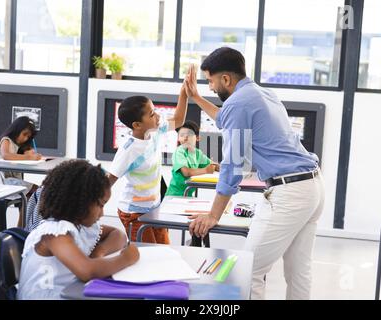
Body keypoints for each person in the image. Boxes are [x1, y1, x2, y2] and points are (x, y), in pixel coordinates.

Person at [185, 47, 325, 300]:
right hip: (312, 186)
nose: (211, 88)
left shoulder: (238, 104)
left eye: (210, 81)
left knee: (249, 270)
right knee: (298, 271)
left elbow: (234, 164)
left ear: (225, 79)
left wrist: (214, 214)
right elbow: (224, 118)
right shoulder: (261, 93)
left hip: (289, 193)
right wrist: (195, 97)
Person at [17, 160, 139, 300]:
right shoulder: (54, 233)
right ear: (80, 201)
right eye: (100, 205)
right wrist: (126, 258)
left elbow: (118, 234)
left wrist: (100, 251)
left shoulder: (81, 226)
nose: (102, 213)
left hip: (70, 293)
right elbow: (87, 271)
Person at [107, 83, 189, 244]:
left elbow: (178, 120)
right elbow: (107, 182)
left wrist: (184, 93)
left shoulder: (155, 132)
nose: (158, 116)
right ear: (137, 125)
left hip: (154, 208)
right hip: (133, 213)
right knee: (147, 256)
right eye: (152, 114)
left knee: (164, 251)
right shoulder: (128, 150)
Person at [0, 116, 42, 227]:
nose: (25, 138)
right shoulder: (6, 140)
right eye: (24, 134)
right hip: (1, 182)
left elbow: (26, 154)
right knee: (37, 191)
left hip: (11, 181)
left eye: (28, 136)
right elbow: (7, 155)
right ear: (17, 129)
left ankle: (21, 227)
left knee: (33, 194)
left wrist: (30, 153)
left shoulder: (19, 145)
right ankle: (22, 227)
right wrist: (29, 158)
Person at [165, 120, 219, 197]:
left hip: (188, 194)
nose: (185, 138)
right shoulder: (179, 151)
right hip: (175, 195)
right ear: (178, 138)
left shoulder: (198, 154)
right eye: (182, 135)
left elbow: (213, 165)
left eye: (189, 135)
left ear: (197, 138)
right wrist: (206, 170)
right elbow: (186, 172)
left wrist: (220, 167)